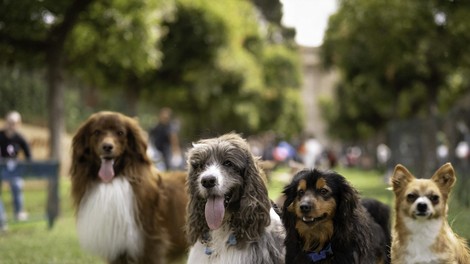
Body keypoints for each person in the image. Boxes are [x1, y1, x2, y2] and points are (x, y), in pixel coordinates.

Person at [0, 111, 32, 230]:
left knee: (17, 185)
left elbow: (29, 156)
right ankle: (1, 221)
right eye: (9, 122)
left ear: (18, 124)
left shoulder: (20, 138)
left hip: (14, 169)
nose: (11, 125)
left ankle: (18, 212)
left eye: (14, 123)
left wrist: (25, 168)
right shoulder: (1, 136)